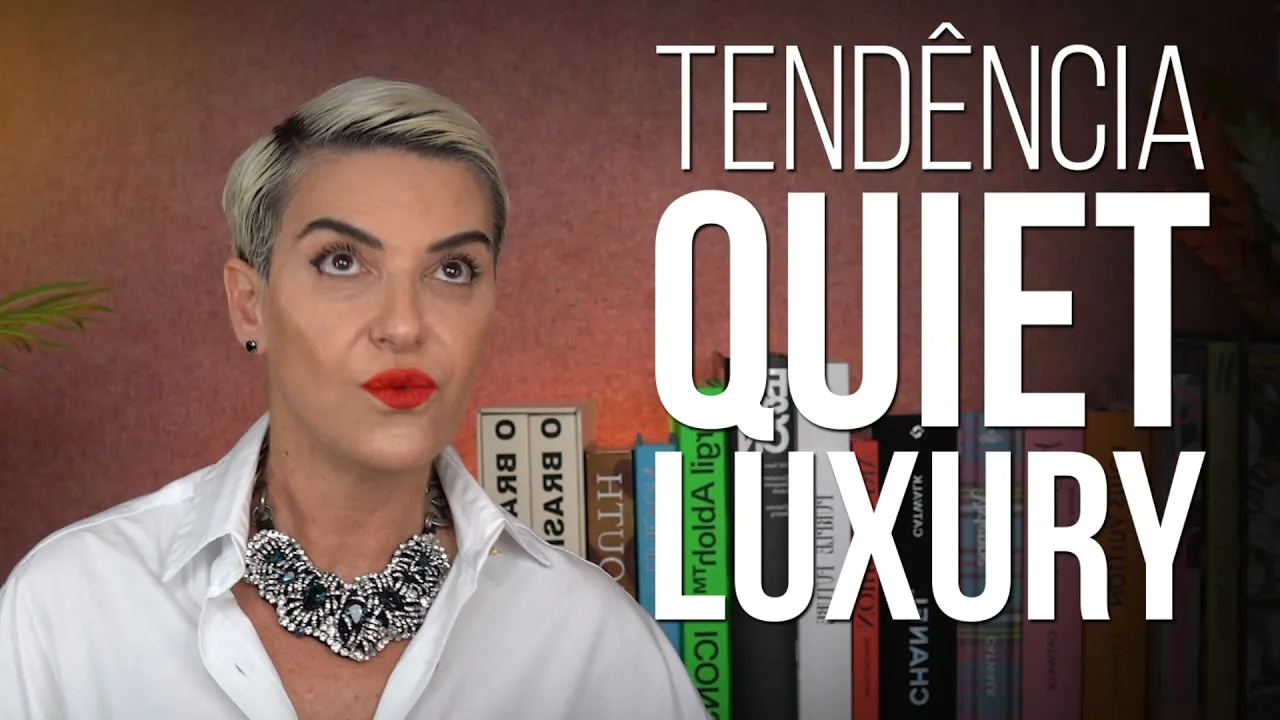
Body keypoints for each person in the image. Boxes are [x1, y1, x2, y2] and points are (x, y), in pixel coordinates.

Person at [0, 77, 708, 720]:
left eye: (453, 270)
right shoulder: (69, 608)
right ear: (249, 305)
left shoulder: (595, 644)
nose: (404, 325)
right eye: (342, 262)